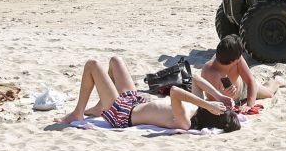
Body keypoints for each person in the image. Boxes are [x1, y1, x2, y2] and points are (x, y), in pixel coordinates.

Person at [56, 56, 240, 132]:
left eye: (220, 109)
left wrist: (207, 104)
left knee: (92, 65)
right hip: (134, 101)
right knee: (115, 60)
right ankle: (100, 107)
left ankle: (77, 112)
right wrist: (218, 96)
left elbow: (175, 92)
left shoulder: (185, 121)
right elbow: (196, 79)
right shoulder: (197, 106)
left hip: (123, 114)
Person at [199, 35, 286, 111]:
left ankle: (277, 81)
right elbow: (209, 100)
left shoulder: (237, 58)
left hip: (244, 88)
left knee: (269, 93)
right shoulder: (208, 70)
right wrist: (224, 96)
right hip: (229, 100)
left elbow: (250, 81)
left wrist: (249, 106)